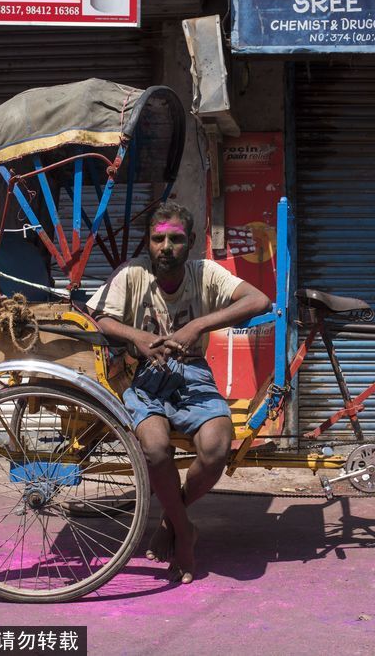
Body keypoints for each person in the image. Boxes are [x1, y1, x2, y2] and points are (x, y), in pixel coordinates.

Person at [90, 202, 271, 584]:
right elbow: (100, 317)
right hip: (143, 377)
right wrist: (139, 337)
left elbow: (258, 300)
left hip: (192, 375)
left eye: (175, 238)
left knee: (218, 447)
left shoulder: (204, 272)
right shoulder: (132, 274)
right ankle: (184, 530)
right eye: (158, 239)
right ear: (149, 242)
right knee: (154, 450)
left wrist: (197, 327)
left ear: (190, 243)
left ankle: (174, 523)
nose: (166, 246)